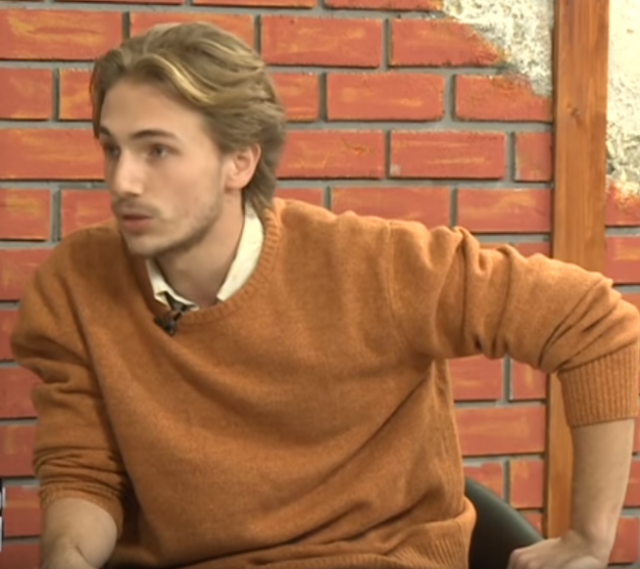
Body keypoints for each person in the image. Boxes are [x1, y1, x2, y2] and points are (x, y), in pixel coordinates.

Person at [10, 21, 639, 569]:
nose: (123, 180)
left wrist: (587, 539)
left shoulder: (373, 264)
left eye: (157, 150)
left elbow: (594, 324)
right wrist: (67, 557)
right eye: (112, 148)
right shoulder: (76, 284)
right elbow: (83, 472)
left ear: (240, 163)